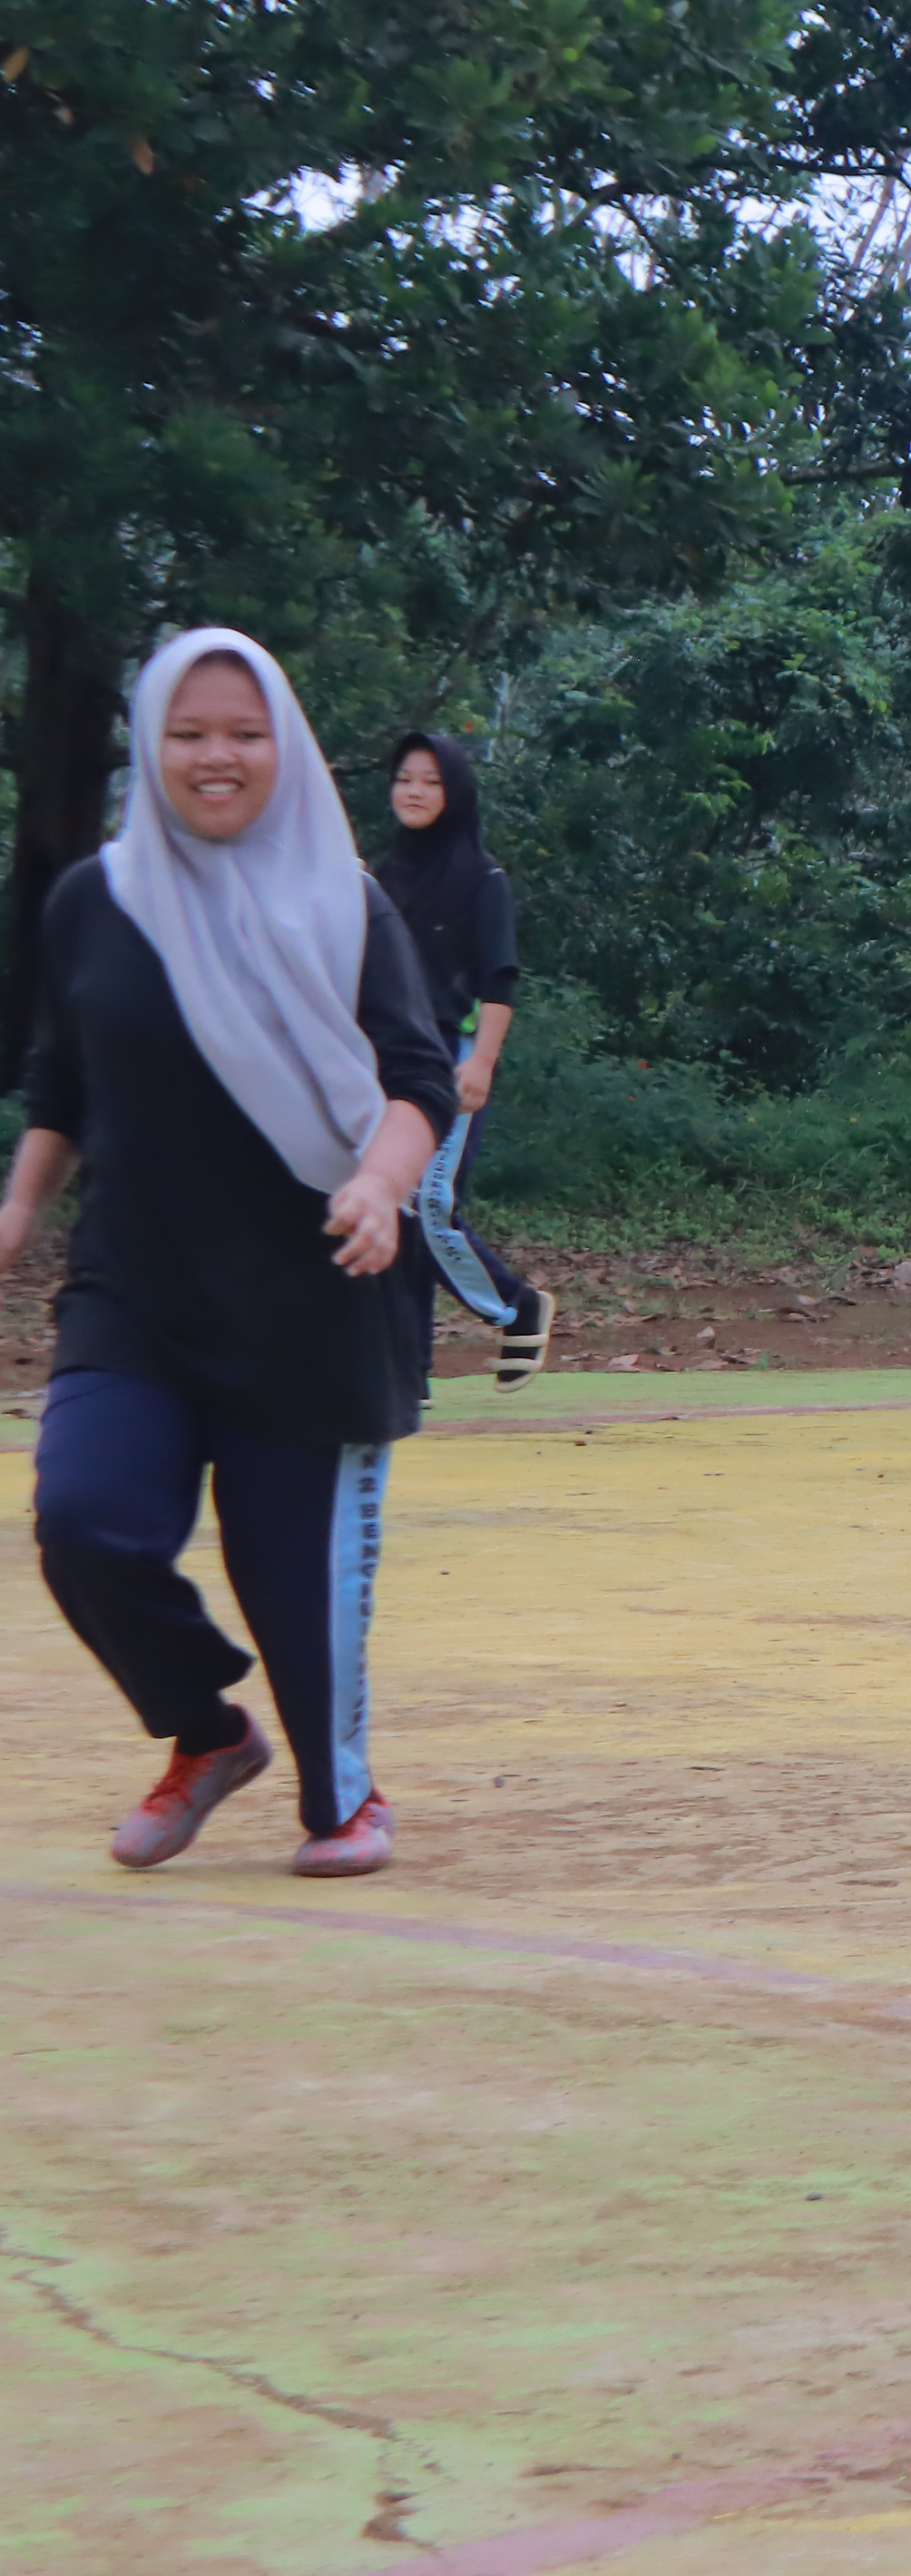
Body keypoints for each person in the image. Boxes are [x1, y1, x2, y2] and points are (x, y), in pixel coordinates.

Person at [0, 630, 454, 1877]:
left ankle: (341, 1796)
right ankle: (205, 1733)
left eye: (245, 734)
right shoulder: (96, 899)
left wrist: (378, 1178)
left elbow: (419, 1080)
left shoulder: (344, 903)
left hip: (312, 1295)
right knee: (85, 1524)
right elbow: (60, 1080)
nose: (217, 757)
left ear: (285, 747)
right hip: (134, 1292)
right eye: (190, 733)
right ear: (152, 743)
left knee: (295, 1601)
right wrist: (19, 1209)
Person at [376, 731, 555, 1387]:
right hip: (382, 1061)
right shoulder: (380, 878)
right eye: (404, 779)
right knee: (392, 1208)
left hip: (448, 1057)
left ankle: (516, 1306)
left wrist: (481, 1061)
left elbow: (498, 981)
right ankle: (407, 1368)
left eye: (430, 780)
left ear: (454, 793)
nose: (414, 791)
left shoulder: (484, 878)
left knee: (428, 1202)